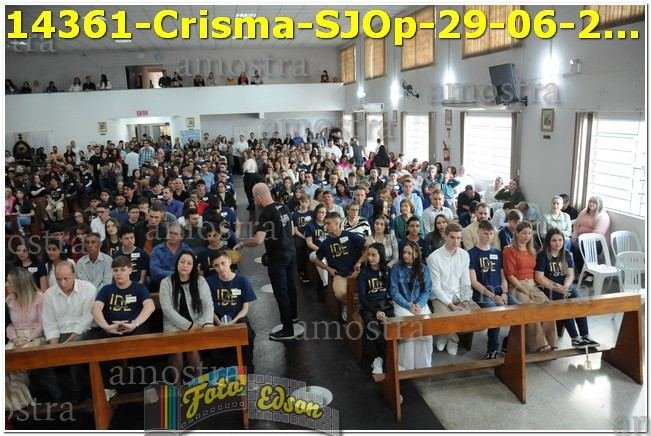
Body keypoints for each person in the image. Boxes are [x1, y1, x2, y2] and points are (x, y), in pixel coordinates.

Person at [244, 183, 298, 341]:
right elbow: (291, 230)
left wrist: (242, 243)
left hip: (277, 257)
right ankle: (293, 316)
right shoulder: (284, 207)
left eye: (254, 197)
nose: (255, 200)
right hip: (290, 252)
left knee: (281, 292)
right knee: (291, 287)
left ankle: (287, 329)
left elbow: (258, 240)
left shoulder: (266, 213)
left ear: (259, 196)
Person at [535, 228, 600, 348]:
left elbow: (570, 274)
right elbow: (539, 277)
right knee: (565, 304)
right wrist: (556, 287)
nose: (557, 243)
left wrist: (565, 286)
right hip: (549, 287)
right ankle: (575, 338)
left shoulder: (567, 254)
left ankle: (585, 335)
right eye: (554, 240)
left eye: (560, 240)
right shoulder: (543, 255)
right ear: (548, 242)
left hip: (565, 285)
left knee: (579, 301)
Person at [41, 262, 97, 401]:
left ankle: (78, 391)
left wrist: (69, 341)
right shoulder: (49, 294)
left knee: (74, 350)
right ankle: (60, 395)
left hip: (84, 332)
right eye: (58, 279)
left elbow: (87, 318)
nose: (62, 283)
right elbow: (49, 323)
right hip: (59, 334)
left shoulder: (88, 288)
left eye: (66, 278)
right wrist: (54, 346)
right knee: (41, 359)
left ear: (74, 275)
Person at [159, 251, 214, 385]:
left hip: (197, 324)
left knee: (191, 347)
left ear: (193, 266)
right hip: (173, 326)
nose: (185, 265)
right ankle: (177, 385)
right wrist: (188, 326)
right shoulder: (166, 282)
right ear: (177, 263)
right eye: (182, 262)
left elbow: (208, 305)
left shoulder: (200, 281)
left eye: (189, 263)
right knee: (177, 350)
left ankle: (198, 383)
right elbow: (167, 310)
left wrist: (205, 323)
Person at [503, 222, 557, 353]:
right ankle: (539, 345)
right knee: (530, 308)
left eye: (529, 233)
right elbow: (510, 275)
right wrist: (524, 289)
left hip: (532, 284)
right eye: (524, 233)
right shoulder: (509, 250)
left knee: (547, 306)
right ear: (517, 233)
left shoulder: (532, 250)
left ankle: (551, 342)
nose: (527, 236)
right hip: (517, 285)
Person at [428, 222, 479, 355]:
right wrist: (451, 306)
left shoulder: (464, 255)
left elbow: (465, 281)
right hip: (441, 296)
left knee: (478, 318)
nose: (456, 241)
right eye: (452, 237)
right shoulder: (434, 257)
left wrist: (466, 300)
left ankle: (446, 334)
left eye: (458, 238)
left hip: (459, 294)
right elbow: (435, 287)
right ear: (445, 236)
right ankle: (452, 338)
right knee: (445, 318)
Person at [468, 221, 518, 359]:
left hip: (500, 292)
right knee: (495, 313)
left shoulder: (497, 253)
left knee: (520, 310)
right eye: (485, 233)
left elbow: (503, 277)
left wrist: (505, 293)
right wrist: (493, 296)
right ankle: (492, 349)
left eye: (491, 234)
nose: (488, 236)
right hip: (481, 294)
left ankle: (510, 343)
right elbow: (474, 282)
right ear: (478, 233)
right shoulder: (471, 254)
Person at [206, 250, 257, 371]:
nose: (221, 268)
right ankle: (224, 369)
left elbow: (245, 309)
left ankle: (247, 368)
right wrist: (218, 322)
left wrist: (233, 322)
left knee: (247, 334)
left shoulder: (242, 281)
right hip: (217, 319)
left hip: (238, 318)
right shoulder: (209, 282)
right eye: (216, 265)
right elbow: (209, 307)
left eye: (223, 263)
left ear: (229, 261)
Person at [313, 212, 366, 319]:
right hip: (340, 274)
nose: (325, 226)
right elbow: (316, 259)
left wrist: (360, 261)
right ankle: (349, 305)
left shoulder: (349, 235)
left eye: (328, 223)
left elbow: (368, 246)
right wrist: (328, 268)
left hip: (356, 272)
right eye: (325, 224)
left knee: (366, 288)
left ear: (337, 224)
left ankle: (358, 306)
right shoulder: (326, 243)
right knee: (340, 293)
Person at [389, 241, 433, 369]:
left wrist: (419, 304)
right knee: (408, 330)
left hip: (420, 303)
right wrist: (409, 306)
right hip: (402, 303)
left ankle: (424, 365)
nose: (405, 255)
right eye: (404, 252)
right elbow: (394, 291)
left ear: (416, 254)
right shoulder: (396, 268)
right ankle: (405, 366)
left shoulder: (423, 268)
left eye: (409, 253)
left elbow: (427, 290)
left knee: (426, 330)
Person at [357, 243, 394, 374]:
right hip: (369, 308)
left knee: (393, 331)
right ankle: (383, 360)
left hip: (385, 307)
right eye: (369, 255)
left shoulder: (387, 271)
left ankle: (385, 360)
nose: (370, 258)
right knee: (376, 332)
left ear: (381, 255)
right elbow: (362, 298)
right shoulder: (364, 273)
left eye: (374, 255)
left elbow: (390, 292)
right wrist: (375, 312)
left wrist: (384, 310)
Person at [571, 195, 610, 278]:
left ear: (599, 205)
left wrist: (581, 239)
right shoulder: (584, 212)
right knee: (571, 245)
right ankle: (578, 270)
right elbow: (576, 225)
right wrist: (574, 236)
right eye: (590, 201)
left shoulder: (603, 216)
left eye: (594, 202)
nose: (591, 204)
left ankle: (586, 272)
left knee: (578, 248)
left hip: (596, 241)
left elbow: (597, 234)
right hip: (580, 238)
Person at [6, 268, 45, 349]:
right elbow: (9, 324)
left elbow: (42, 324)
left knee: (25, 349)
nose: (6, 285)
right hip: (16, 339)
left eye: (9, 282)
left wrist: (28, 339)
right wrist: (14, 338)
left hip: (35, 337)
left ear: (19, 283)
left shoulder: (39, 297)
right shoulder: (9, 300)